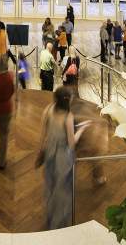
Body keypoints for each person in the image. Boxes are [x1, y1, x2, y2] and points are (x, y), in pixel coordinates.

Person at [37, 86, 90, 229]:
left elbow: (43, 135)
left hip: (50, 153)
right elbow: (71, 143)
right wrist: (82, 129)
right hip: (63, 157)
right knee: (63, 190)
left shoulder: (48, 110)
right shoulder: (68, 117)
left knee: (50, 185)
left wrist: (41, 150)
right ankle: (60, 224)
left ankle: (49, 218)